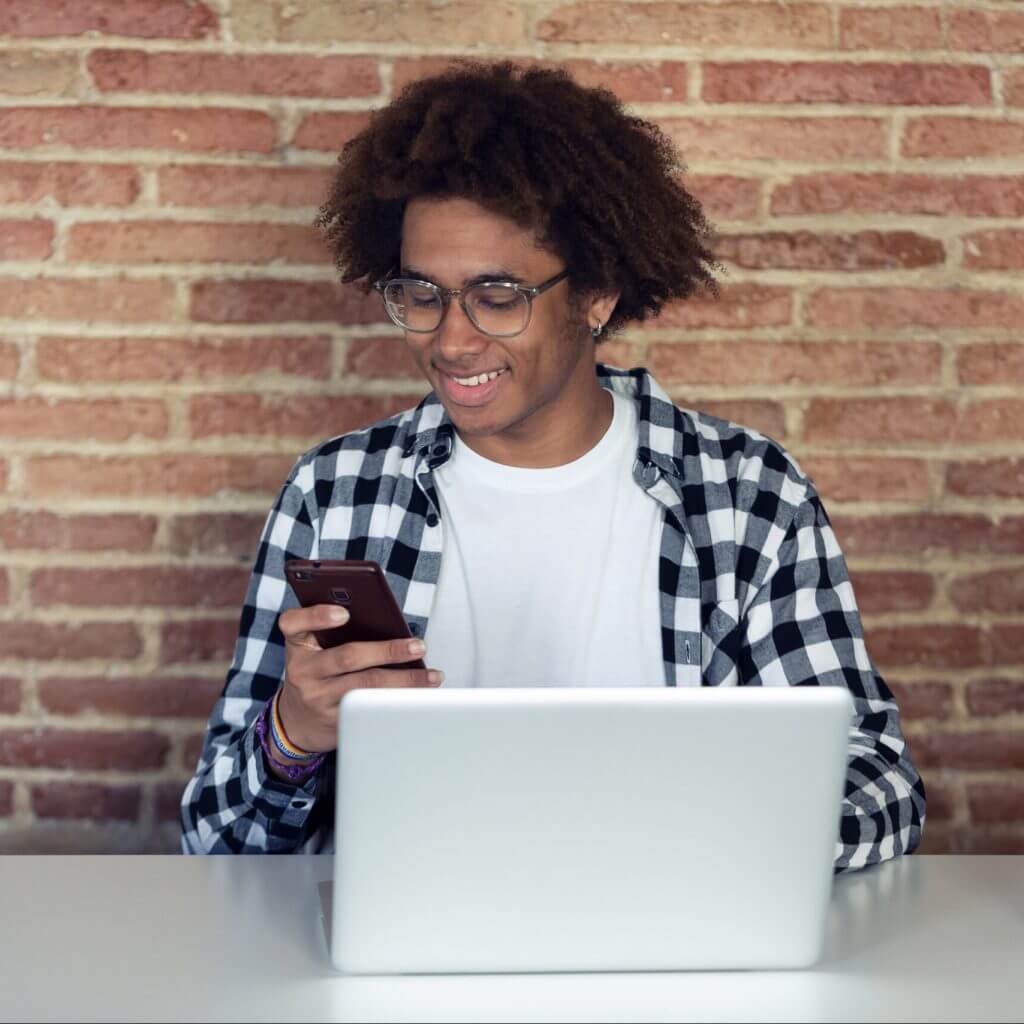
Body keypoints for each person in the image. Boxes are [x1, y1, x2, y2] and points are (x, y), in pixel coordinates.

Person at [181, 60, 925, 867]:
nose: (452, 339)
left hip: (673, 949)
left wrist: (728, 843)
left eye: (498, 296)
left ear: (596, 293)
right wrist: (293, 735)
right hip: (407, 961)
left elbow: (879, 780)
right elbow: (215, 842)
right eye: (422, 294)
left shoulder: (747, 499)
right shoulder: (336, 495)